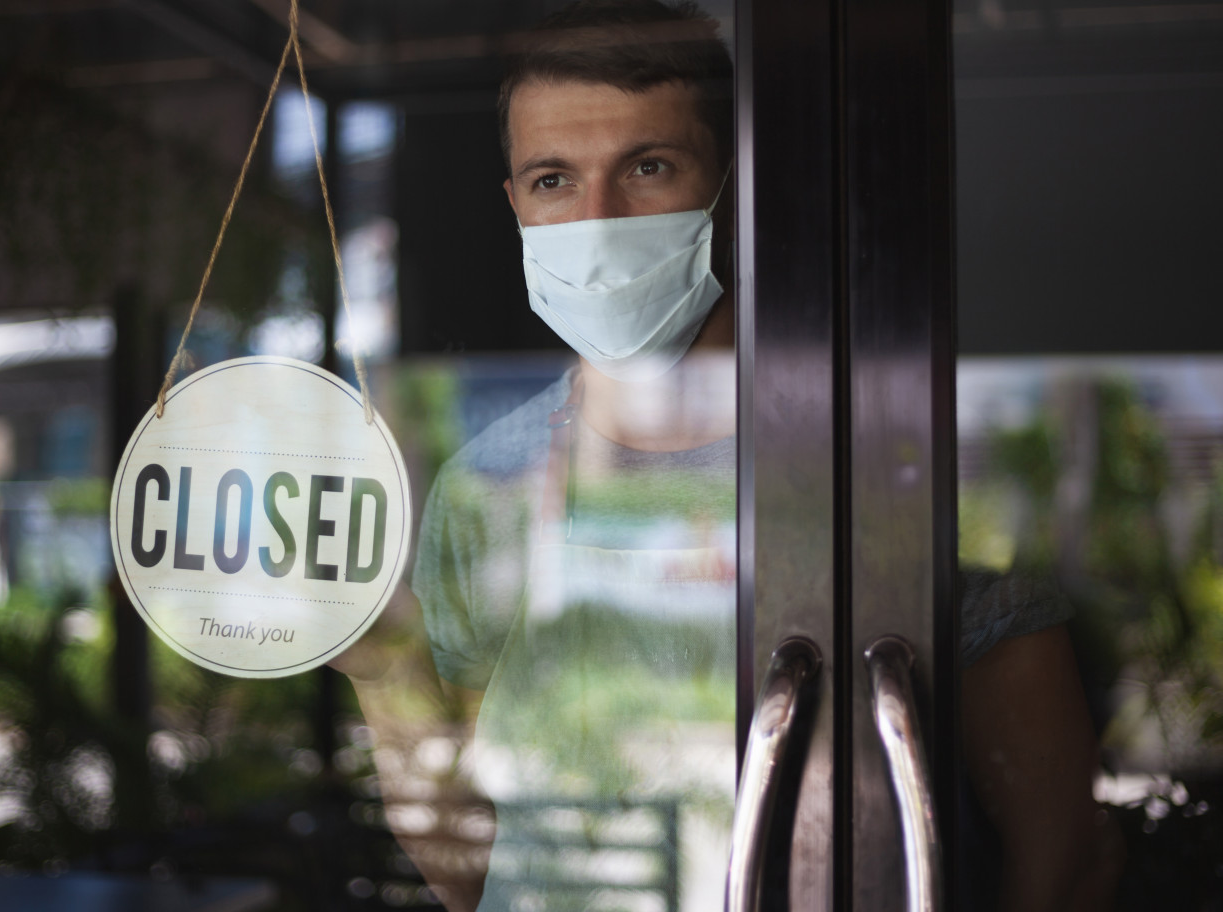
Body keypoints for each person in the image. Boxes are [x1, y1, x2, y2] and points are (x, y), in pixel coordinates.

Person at [341, 1, 1124, 909]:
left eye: (648, 167)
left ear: (731, 184)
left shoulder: (887, 465)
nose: (599, 221)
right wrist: (384, 670)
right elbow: (470, 872)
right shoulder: (485, 484)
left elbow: (1064, 860)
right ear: (514, 202)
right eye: (554, 179)